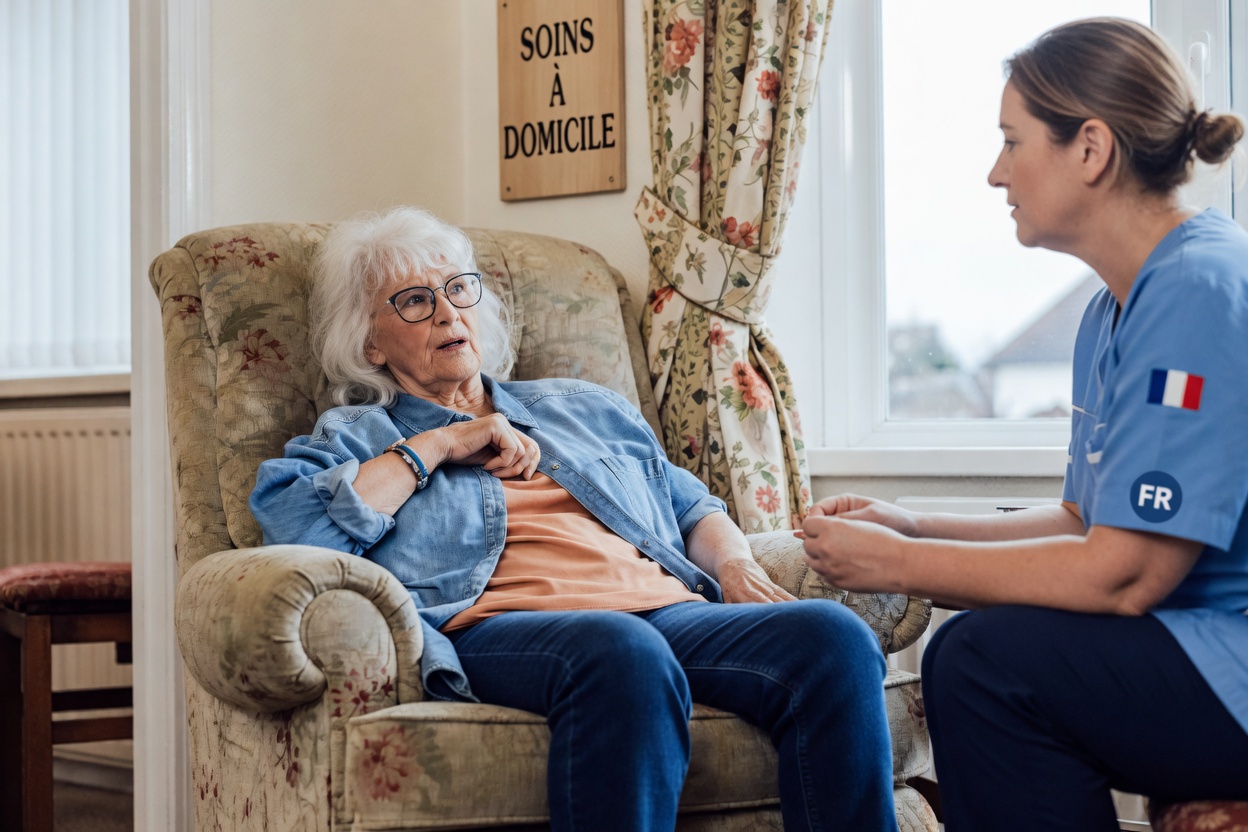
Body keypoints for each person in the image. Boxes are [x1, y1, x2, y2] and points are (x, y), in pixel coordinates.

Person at [250, 206, 898, 832]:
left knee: (831, 639)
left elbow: (690, 504)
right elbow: (297, 529)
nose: (447, 311)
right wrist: (439, 446)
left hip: (664, 612)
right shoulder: (363, 436)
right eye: (415, 301)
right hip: (504, 631)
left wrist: (735, 565)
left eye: (457, 289)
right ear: (368, 340)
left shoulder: (584, 408)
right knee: (621, 650)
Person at [798, 16, 1248, 832]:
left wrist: (902, 562)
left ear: (1090, 149)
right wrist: (913, 523)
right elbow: (1085, 520)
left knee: (982, 662)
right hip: (1200, 649)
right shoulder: (1111, 310)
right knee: (988, 652)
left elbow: (1122, 573)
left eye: (1012, 141)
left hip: (1233, 660)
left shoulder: (1198, 289)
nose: (995, 173)